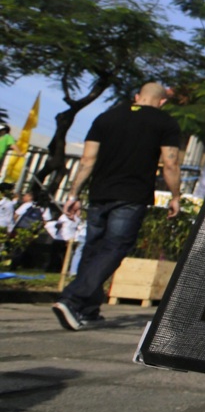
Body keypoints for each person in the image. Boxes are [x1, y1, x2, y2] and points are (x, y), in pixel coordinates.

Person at [52, 82, 181, 331]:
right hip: (132, 195)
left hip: (99, 193)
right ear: (162, 101)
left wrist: (73, 193)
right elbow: (170, 163)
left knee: (94, 249)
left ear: (136, 97)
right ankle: (72, 299)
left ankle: (87, 310)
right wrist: (175, 196)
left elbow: (88, 159)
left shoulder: (106, 117)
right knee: (115, 247)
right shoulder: (165, 123)